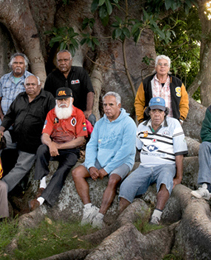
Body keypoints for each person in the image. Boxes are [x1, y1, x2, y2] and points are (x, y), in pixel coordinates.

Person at [71, 92, 136, 228]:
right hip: (100, 160)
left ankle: (100, 216)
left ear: (119, 105)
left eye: (111, 105)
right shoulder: (100, 123)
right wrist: (90, 166)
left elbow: (126, 151)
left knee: (113, 179)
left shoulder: (128, 123)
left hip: (122, 161)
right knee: (77, 173)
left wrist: (106, 169)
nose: (107, 108)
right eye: (105, 105)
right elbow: (92, 145)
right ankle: (88, 209)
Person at [118, 96, 186, 225]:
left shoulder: (173, 124)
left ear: (165, 112)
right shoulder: (142, 126)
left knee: (166, 182)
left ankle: (156, 215)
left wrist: (179, 177)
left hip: (166, 165)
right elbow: (138, 148)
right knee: (126, 186)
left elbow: (179, 153)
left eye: (160, 111)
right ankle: (123, 221)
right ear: (149, 112)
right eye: (154, 111)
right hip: (145, 166)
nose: (156, 114)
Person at [0, 75, 55, 197]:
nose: (30, 87)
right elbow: (9, 116)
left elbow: (52, 120)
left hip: (33, 140)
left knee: (21, 167)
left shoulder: (48, 98)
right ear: (24, 86)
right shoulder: (20, 97)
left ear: (39, 85)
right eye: (28, 85)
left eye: (33, 84)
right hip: (15, 135)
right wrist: (0, 130)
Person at [28, 88, 88, 213]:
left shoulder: (78, 114)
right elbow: (44, 136)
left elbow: (80, 140)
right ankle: (42, 184)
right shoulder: (52, 113)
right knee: (41, 149)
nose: (62, 102)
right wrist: (51, 145)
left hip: (71, 150)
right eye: (59, 99)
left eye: (65, 99)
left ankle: (42, 200)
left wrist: (57, 147)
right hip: (53, 147)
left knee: (64, 168)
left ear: (71, 100)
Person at [43, 50, 95, 123]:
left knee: (91, 119)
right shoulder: (51, 77)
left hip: (80, 111)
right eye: (60, 60)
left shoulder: (80, 72)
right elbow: (47, 97)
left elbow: (90, 92)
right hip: (60, 112)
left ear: (71, 60)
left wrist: (88, 110)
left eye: (65, 60)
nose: (63, 63)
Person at [133, 54, 189, 122]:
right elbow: (139, 102)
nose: (162, 66)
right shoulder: (146, 82)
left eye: (165, 64)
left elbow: (184, 102)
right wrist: (141, 119)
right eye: (160, 64)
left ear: (169, 68)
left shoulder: (177, 83)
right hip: (151, 122)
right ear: (155, 67)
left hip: (172, 121)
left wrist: (181, 119)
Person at [0, 52, 31, 121]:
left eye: (21, 63)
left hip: (23, 123)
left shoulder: (32, 79)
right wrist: (2, 116)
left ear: (25, 65)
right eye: (15, 63)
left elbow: (36, 103)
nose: (18, 65)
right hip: (5, 122)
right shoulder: (4, 79)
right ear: (11, 65)